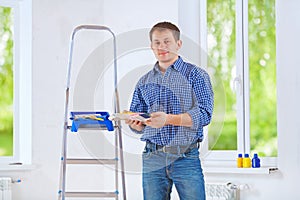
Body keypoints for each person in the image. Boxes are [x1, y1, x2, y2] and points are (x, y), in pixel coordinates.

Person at [126, 21, 214, 200]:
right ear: (151, 46)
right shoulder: (144, 81)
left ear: (178, 44)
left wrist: (167, 119)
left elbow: (204, 114)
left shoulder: (196, 75)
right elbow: (137, 121)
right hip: (152, 156)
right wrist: (135, 124)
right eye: (157, 42)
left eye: (167, 41)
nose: (162, 46)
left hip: (185, 156)